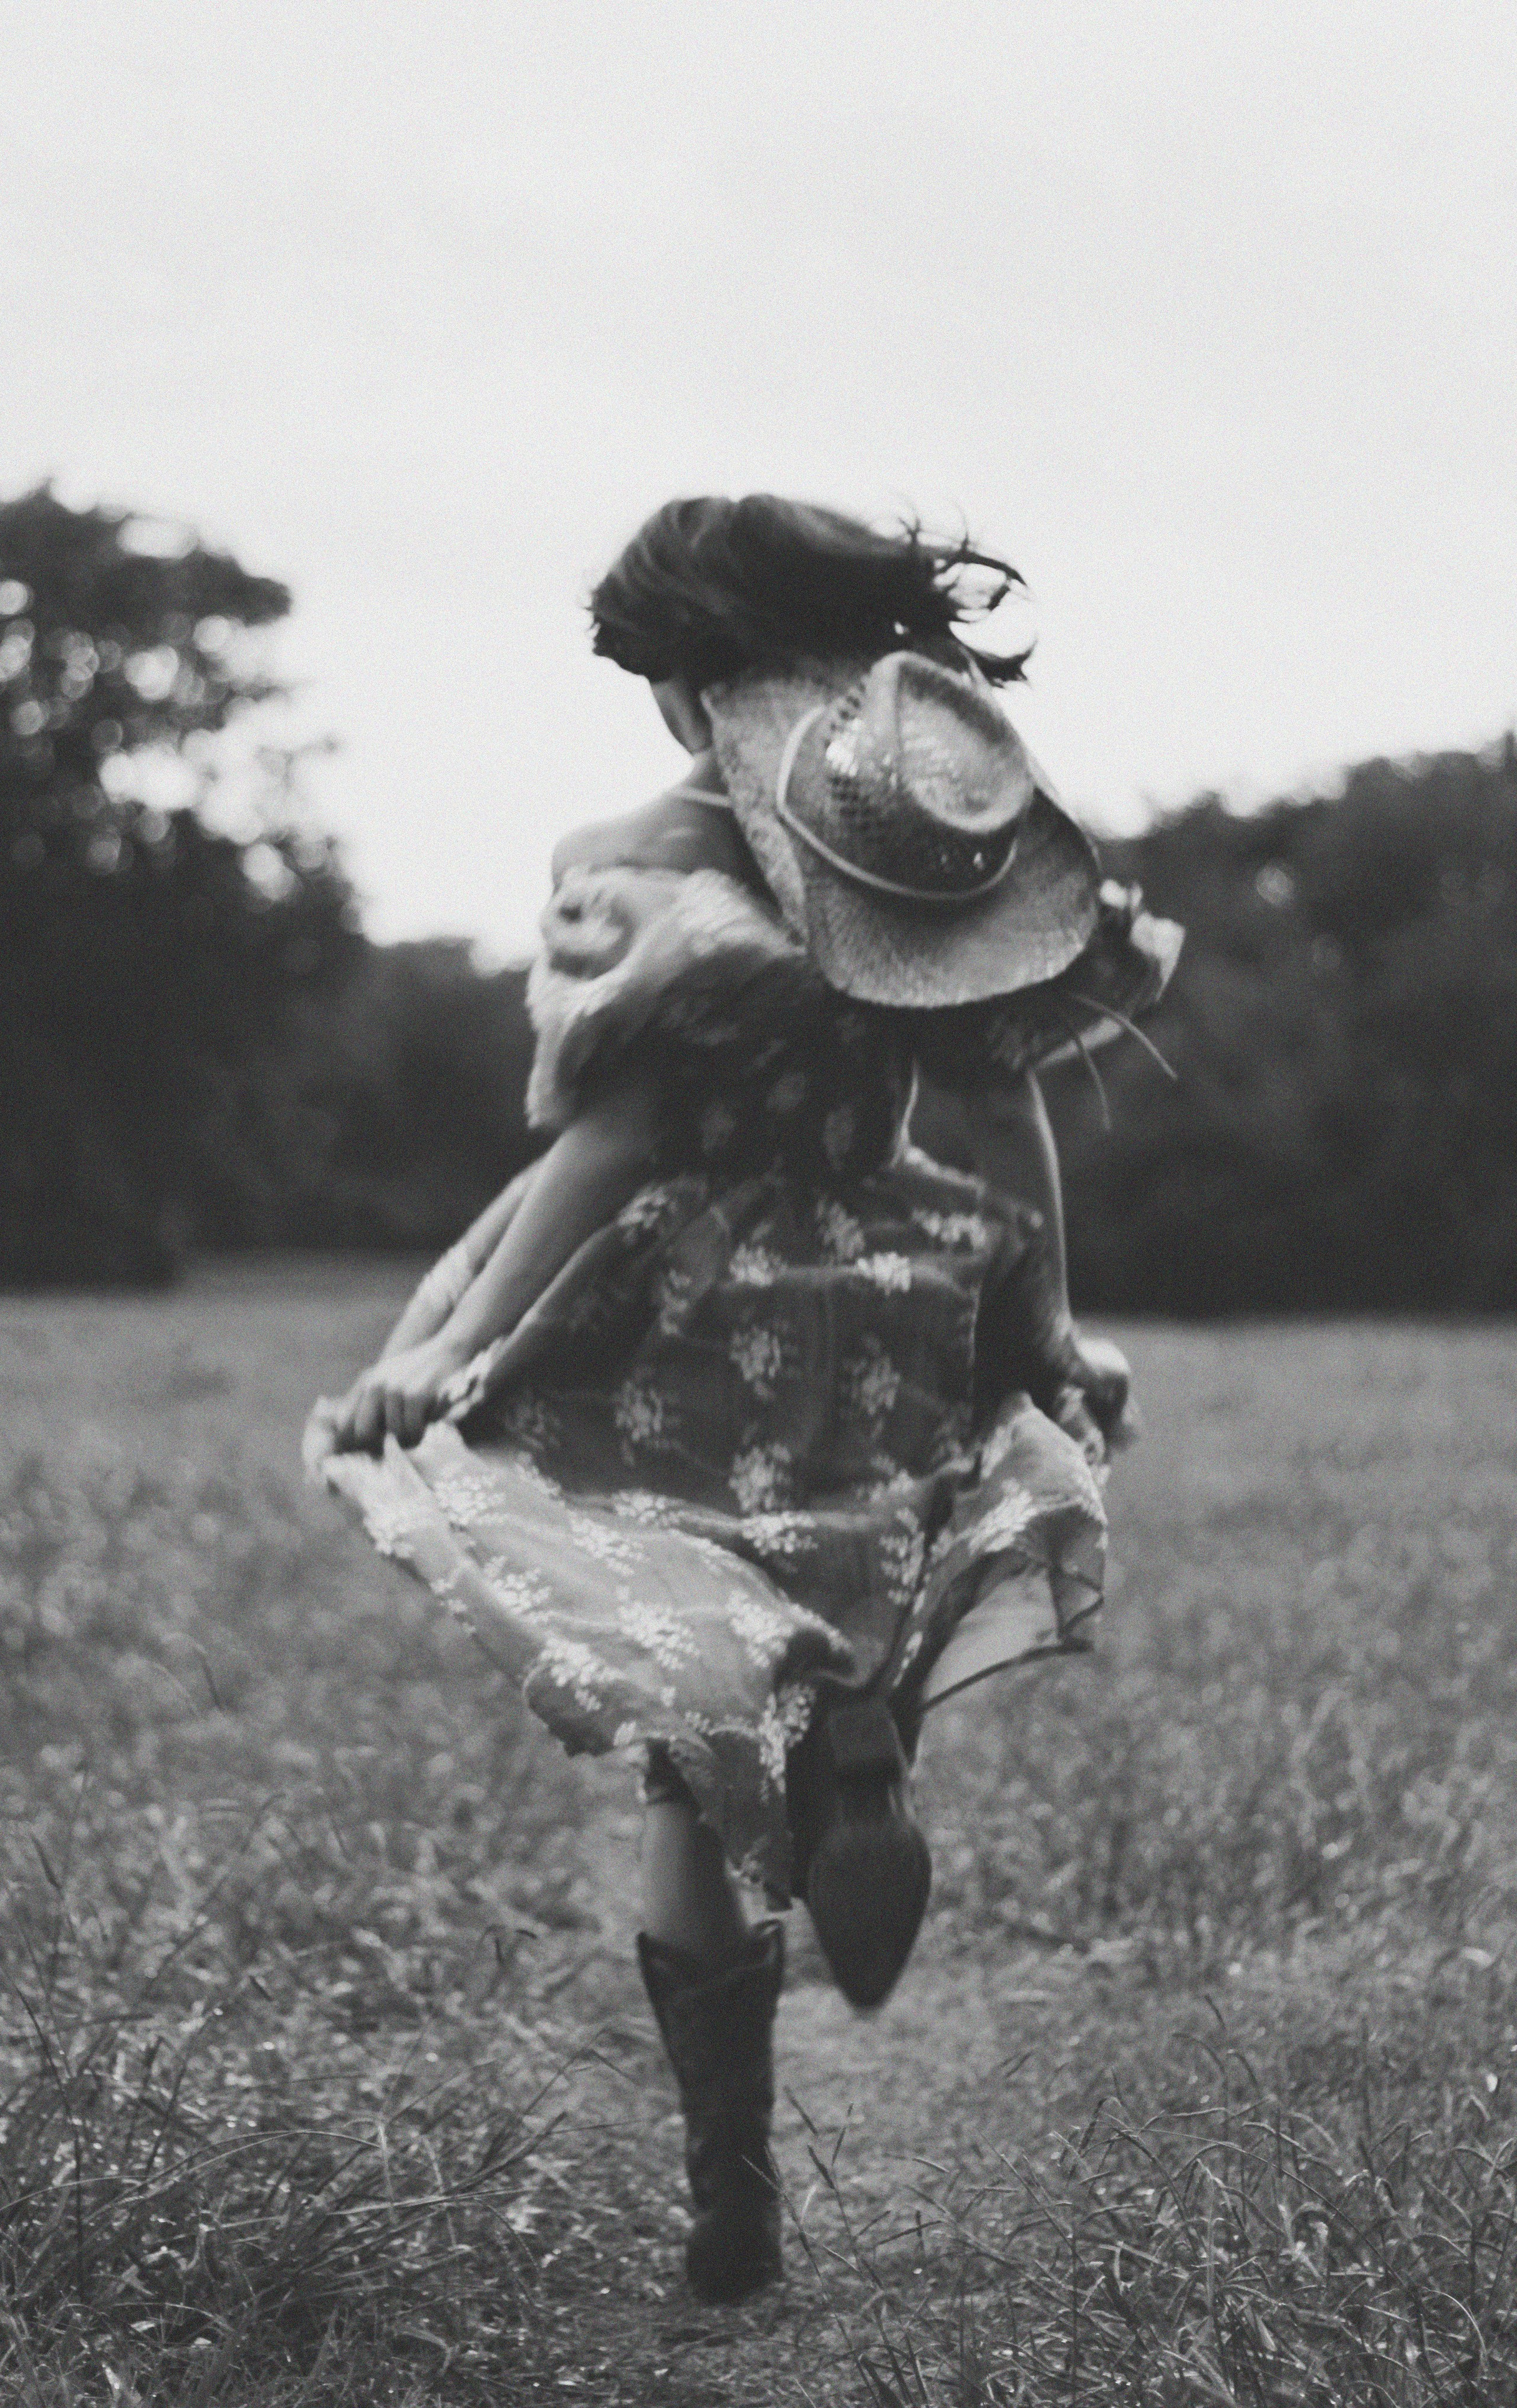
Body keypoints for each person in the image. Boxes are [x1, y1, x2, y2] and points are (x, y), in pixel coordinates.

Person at [307, 497, 1180, 2305]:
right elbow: (1004, 1111)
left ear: (681, 684)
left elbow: (611, 1142)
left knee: (691, 1753)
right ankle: (855, 1733)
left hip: (678, 1321)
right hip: (900, 1301)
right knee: (862, 1604)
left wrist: (453, 1340)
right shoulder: (925, 851)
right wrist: (1057, 1321)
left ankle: (733, 2198)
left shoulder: (650, 859)